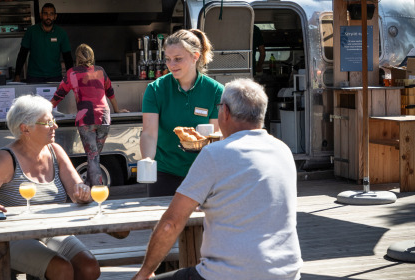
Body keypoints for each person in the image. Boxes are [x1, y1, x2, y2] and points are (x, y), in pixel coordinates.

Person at [133, 78, 302, 280]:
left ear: (226, 112)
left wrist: (143, 273)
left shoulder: (214, 153)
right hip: (287, 273)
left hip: (228, 275)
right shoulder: (283, 150)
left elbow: (171, 224)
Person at [0, 95, 101, 280]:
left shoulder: (55, 151)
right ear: (25, 128)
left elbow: (77, 191)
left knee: (89, 267)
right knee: (61, 269)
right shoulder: (6, 159)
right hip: (13, 235)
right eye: (48, 122)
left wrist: (83, 194)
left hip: (52, 230)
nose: (55, 126)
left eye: (54, 121)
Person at [140, 29, 224, 197]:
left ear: (195, 56)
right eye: (168, 59)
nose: (171, 65)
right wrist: (148, 160)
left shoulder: (215, 90)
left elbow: (217, 135)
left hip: (202, 174)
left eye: (178, 59)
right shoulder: (155, 89)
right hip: (165, 173)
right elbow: (149, 133)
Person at [51, 43, 129, 187]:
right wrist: (117, 110)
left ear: (77, 57)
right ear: (92, 56)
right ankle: (91, 185)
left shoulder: (72, 73)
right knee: (95, 157)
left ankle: (95, 191)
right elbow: (110, 92)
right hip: (104, 118)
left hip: (86, 119)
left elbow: (59, 95)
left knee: (92, 157)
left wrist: (45, 109)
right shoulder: (100, 71)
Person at [14, 3, 73, 83]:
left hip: (54, 76)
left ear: (55, 16)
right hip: (34, 76)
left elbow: (67, 57)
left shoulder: (61, 33)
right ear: (41, 15)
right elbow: (22, 54)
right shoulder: (31, 31)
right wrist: (17, 74)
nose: (48, 17)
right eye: (45, 13)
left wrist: (71, 76)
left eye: (51, 14)